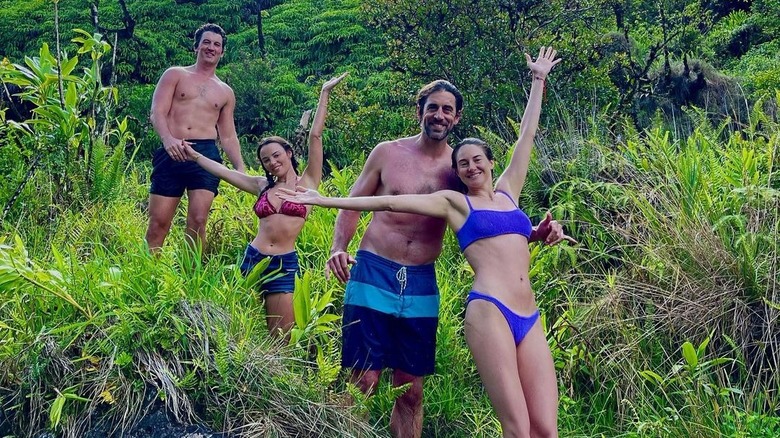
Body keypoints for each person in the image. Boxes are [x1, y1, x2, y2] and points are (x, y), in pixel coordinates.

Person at [317, 50, 569, 438]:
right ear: (420, 110)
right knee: (363, 378)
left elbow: (494, 216)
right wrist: (337, 245)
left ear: (457, 117)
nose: (439, 115)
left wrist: (534, 232)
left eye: (448, 109)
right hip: (375, 269)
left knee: (411, 390)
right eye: (433, 107)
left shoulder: (458, 172)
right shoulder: (388, 153)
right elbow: (365, 202)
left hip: (421, 279)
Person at [180, 73, 347, 338]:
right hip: (252, 257)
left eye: (276, 155)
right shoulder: (262, 185)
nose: (272, 162)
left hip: (283, 263)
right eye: (266, 160)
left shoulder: (308, 183)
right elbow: (224, 172)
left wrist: (324, 93)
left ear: (289, 154)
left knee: (281, 334)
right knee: (234, 326)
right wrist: (196, 155)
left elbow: (315, 136)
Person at [145, 23, 246, 252]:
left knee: (199, 221)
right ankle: (150, 276)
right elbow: (157, 112)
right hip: (172, 150)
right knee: (158, 223)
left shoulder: (225, 91)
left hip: (205, 155)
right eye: (206, 42)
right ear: (197, 46)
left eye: (216, 44)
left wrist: (240, 168)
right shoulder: (175, 74)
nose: (211, 47)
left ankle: (192, 279)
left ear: (222, 51)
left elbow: (228, 135)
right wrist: (168, 140)